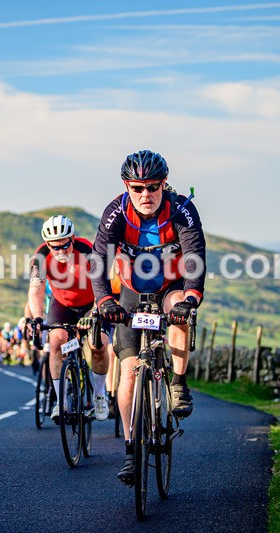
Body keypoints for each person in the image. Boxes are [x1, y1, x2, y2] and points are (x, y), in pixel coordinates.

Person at [91, 149, 206, 485]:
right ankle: (131, 450)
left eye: (153, 186)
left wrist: (191, 297)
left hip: (170, 285)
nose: (146, 194)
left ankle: (178, 383)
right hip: (131, 290)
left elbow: (195, 256)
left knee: (180, 315)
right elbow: (99, 260)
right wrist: (104, 302)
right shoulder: (116, 213)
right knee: (127, 372)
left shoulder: (181, 209)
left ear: (164, 184)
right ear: (127, 186)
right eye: (137, 188)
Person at [28, 215, 111, 423]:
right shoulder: (41, 257)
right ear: (48, 245)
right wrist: (37, 318)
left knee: (98, 344)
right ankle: (60, 401)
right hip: (63, 305)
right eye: (55, 247)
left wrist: (94, 312)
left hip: (92, 303)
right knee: (56, 341)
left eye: (65, 245)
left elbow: (102, 287)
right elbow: (36, 290)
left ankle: (100, 394)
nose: (61, 251)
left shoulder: (87, 251)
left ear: (72, 238)